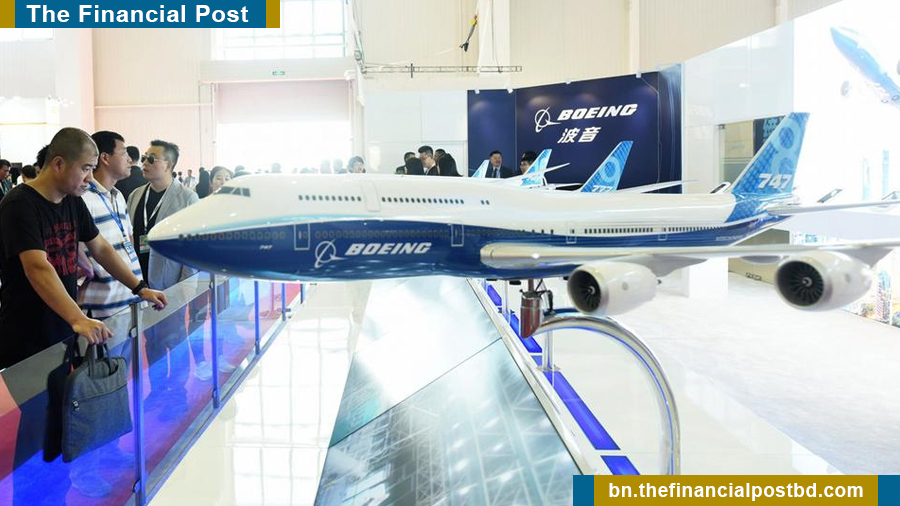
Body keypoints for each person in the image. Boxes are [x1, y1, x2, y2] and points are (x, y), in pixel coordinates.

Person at [0, 128, 167, 369]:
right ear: (58, 164)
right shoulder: (19, 204)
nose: (90, 178)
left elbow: (101, 248)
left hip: (62, 324)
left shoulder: (72, 200)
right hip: (27, 331)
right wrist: (78, 318)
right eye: (86, 168)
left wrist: (139, 288)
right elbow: (37, 267)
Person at [127, 139, 198, 420]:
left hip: (172, 284)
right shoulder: (136, 196)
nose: (144, 163)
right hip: (141, 286)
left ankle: (178, 394)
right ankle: (157, 391)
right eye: (144, 158)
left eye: (151, 159)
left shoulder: (187, 198)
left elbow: (192, 248)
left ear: (168, 164)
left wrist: (186, 287)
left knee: (175, 339)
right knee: (152, 342)